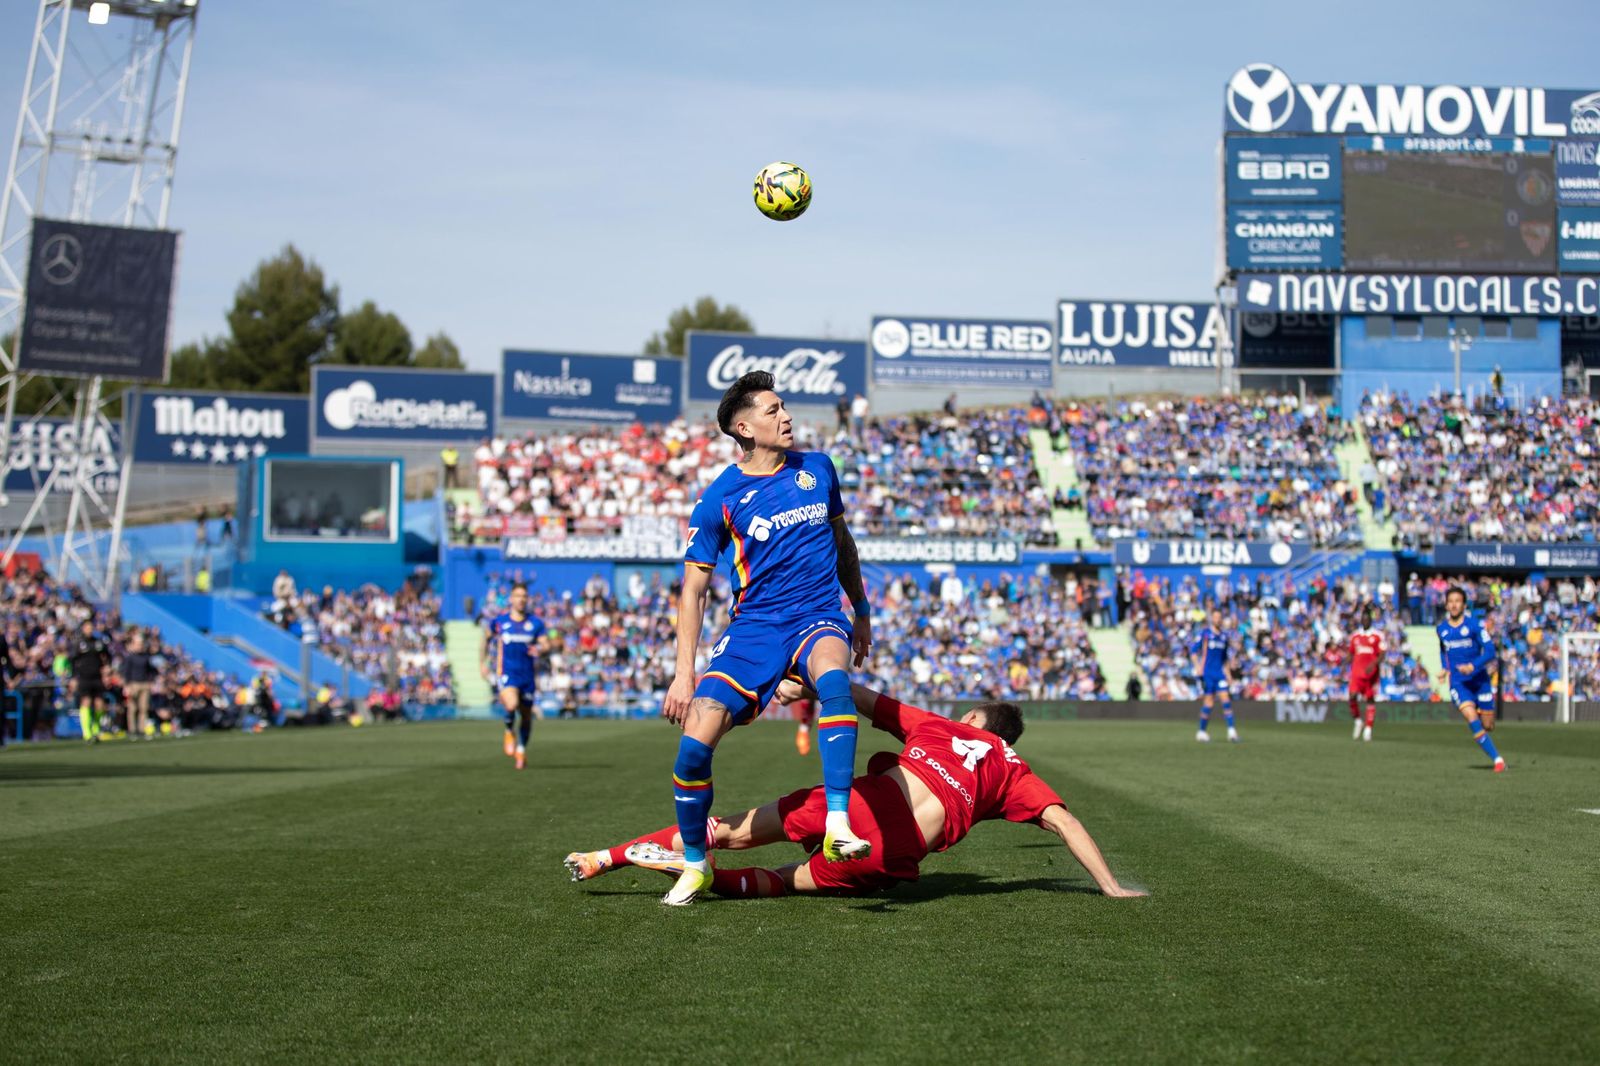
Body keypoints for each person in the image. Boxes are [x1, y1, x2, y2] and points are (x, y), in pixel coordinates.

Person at [564, 681, 1144, 900]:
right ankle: (716, 881)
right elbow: (1065, 822)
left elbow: (859, 698)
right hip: (895, 851)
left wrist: (801, 680)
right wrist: (1111, 887)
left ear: (975, 719)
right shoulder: (1014, 770)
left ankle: (603, 858)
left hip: (863, 804)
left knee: (729, 829)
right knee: (786, 882)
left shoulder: (944, 728)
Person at [662, 370, 872, 906]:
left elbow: (843, 543)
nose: (787, 416)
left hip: (818, 614)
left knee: (834, 681)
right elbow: (694, 591)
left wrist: (862, 610)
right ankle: (695, 862)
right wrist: (683, 673)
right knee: (692, 749)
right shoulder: (719, 498)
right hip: (754, 629)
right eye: (774, 409)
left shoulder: (818, 469)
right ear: (744, 426)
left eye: (785, 407)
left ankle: (838, 823)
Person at [1435, 586, 1507, 772]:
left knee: (1487, 725)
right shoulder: (1441, 629)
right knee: (1471, 718)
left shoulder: (1474, 625)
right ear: (1446, 604)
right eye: (1450, 601)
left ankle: (1484, 716)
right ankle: (1498, 760)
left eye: (1457, 601)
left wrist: (1473, 666)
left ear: (1464, 604)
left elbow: (1490, 651)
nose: (1454, 605)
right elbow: (1444, 650)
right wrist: (1445, 668)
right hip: (1459, 683)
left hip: (1480, 681)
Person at [481, 581, 549, 771]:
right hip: (507, 672)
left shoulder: (535, 623)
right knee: (511, 704)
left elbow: (546, 644)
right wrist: (483, 663)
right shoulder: (500, 622)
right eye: (518, 596)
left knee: (526, 716)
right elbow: (485, 639)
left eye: (524, 596)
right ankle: (509, 730)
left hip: (527, 676)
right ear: (511, 599)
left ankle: (521, 750)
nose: (521, 599)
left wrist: (541, 648)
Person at [1190, 609, 1238, 743]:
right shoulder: (1205, 634)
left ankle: (1231, 731)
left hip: (1220, 674)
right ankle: (1201, 731)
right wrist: (1198, 667)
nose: (1217, 619)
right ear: (1212, 619)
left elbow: (1225, 659)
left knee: (1226, 700)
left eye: (1219, 617)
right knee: (1209, 703)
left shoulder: (1223, 637)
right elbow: (1193, 652)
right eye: (1215, 617)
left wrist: (1228, 675)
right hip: (1208, 673)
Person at [1347, 606, 1385, 742]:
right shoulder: (1355, 636)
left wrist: (1374, 664)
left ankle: (1368, 728)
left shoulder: (1377, 636)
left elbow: (1382, 654)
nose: (1365, 621)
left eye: (1367, 619)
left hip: (1371, 674)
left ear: (1371, 620)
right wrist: (1344, 663)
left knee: (1370, 699)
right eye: (1363, 619)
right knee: (1352, 696)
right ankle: (1358, 720)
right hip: (1356, 673)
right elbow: (1350, 653)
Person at [69, 619, 111, 742]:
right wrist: (73, 677)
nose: (90, 629)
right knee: (86, 702)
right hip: (84, 677)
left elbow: (107, 657)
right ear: (83, 629)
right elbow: (72, 661)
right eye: (87, 627)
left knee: (100, 704)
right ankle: (87, 733)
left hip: (97, 677)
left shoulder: (98, 643)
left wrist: (107, 669)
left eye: (91, 627)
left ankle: (96, 729)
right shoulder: (79, 643)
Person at [121, 631, 157, 739]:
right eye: (138, 644)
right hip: (133, 684)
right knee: (132, 708)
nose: (140, 646)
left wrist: (151, 681)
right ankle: (132, 730)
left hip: (145, 684)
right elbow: (126, 672)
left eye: (141, 644)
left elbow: (151, 671)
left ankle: (141, 730)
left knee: (143, 708)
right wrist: (126, 685)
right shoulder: (130, 657)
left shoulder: (146, 657)